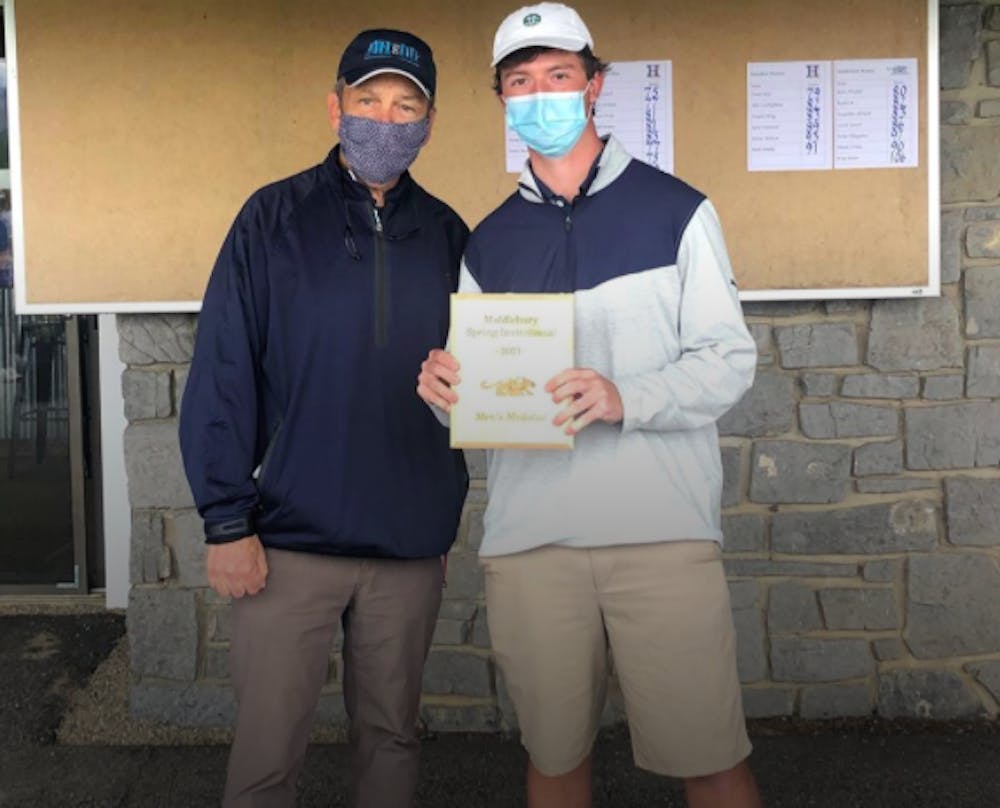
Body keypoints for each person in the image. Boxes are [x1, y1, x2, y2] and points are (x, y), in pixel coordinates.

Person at [416, 4, 762, 807]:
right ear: (503, 100)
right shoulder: (489, 241)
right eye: (520, 81)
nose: (541, 94)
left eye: (559, 76)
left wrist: (623, 395)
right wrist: (444, 396)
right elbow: (481, 403)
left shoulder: (678, 210)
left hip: (660, 534)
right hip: (533, 543)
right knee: (554, 762)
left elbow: (727, 360)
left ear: (595, 86)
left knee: (710, 762)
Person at [179, 28, 468, 808]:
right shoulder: (271, 219)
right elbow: (224, 372)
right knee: (269, 754)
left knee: (393, 741)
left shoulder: (448, 234)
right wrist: (226, 522)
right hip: (285, 543)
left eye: (406, 105)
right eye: (369, 99)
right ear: (334, 107)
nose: (386, 118)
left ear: (429, 123)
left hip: (407, 548)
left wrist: (440, 517)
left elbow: (475, 386)